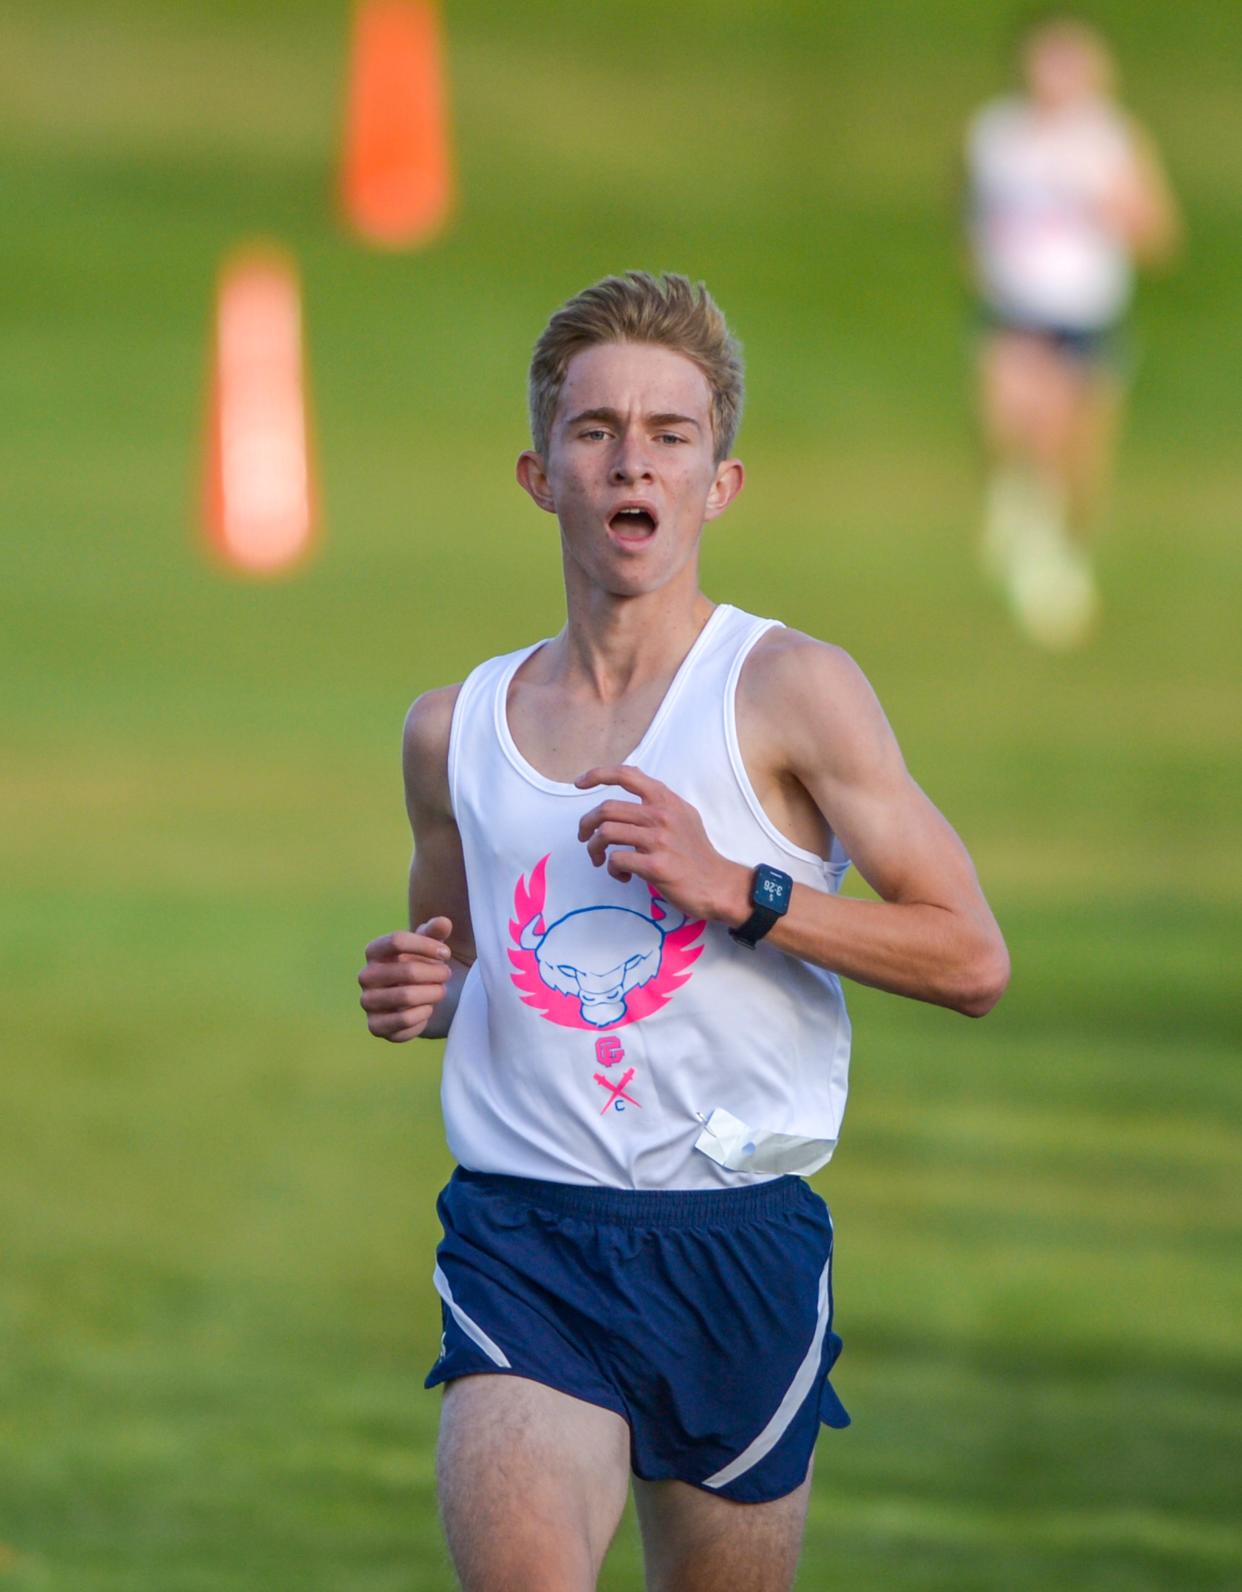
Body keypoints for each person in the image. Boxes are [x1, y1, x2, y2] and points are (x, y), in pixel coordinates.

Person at [357, 272, 1010, 1592]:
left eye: (671, 433)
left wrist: (742, 891)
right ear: (541, 476)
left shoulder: (788, 691)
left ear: (720, 484)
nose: (631, 461)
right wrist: (423, 987)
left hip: (735, 1248)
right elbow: (461, 950)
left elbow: (969, 958)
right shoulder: (452, 730)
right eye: (596, 431)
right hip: (524, 1238)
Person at [964, 15, 1181, 648]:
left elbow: (1160, 235)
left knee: (1078, 456)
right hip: (1015, 311)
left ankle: (1059, 545)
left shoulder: (1111, 142)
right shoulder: (996, 135)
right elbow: (972, 208)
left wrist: (1117, 209)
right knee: (1018, 424)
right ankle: (1032, 544)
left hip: (1086, 314)